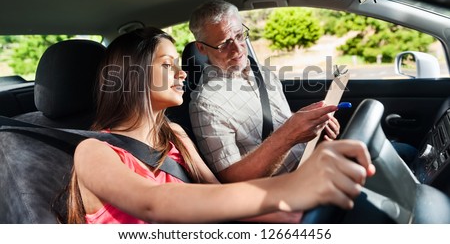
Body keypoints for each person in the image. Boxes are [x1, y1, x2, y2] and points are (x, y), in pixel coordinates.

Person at [65, 26, 375, 224]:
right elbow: (153, 203)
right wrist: (290, 187)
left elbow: (217, 194)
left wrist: (285, 212)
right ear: (133, 75)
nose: (182, 73)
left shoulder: (173, 134)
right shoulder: (93, 151)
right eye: (167, 65)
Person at [188, 0, 341, 183]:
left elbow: (276, 118)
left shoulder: (259, 70)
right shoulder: (206, 104)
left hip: (315, 162)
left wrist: (312, 122)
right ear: (201, 48)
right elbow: (231, 180)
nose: (237, 49)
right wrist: (290, 134)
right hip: (285, 189)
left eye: (239, 35)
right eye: (223, 44)